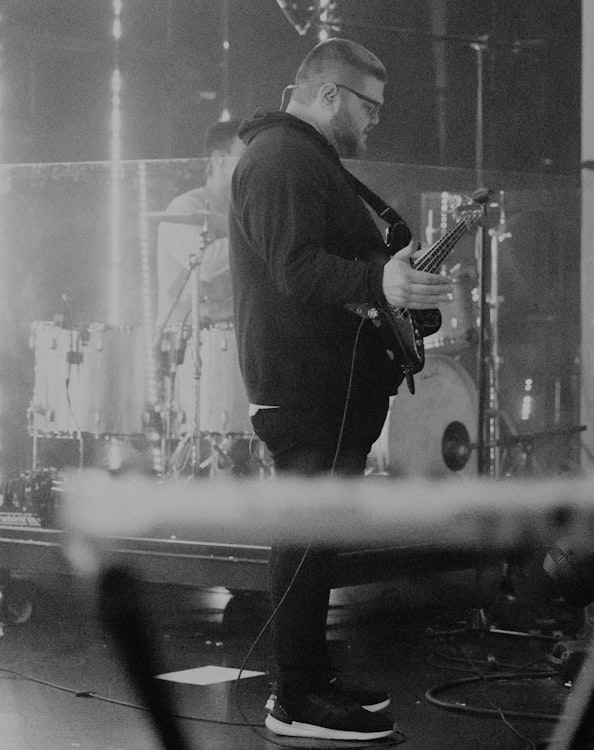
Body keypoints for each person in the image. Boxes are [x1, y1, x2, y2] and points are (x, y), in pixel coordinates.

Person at [229, 39, 453, 741]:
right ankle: (296, 699)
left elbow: (326, 264)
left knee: (317, 536)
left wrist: (394, 290)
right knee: (306, 535)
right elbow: (295, 269)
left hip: (326, 381)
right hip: (304, 386)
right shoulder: (281, 158)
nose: (376, 122)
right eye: (370, 106)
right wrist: (377, 281)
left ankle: (309, 680)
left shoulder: (300, 158)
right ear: (330, 96)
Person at [156, 120, 244, 331]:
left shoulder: (245, 209)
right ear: (220, 158)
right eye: (246, 155)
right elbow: (206, 264)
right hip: (186, 336)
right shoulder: (184, 208)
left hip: (236, 332)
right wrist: (252, 237)